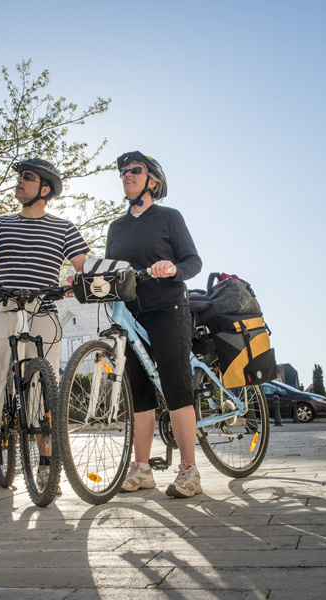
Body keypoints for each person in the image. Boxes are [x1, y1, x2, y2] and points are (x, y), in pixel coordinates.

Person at [0, 158, 89, 502]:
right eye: (19, 176)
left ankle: (46, 465)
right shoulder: (0, 224)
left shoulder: (64, 228)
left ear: (45, 190)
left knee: (43, 391)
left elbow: (83, 265)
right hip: (2, 307)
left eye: (27, 177)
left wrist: (78, 281)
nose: (18, 181)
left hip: (44, 311)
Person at [105, 151, 203, 498]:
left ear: (153, 181)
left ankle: (189, 470)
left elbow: (193, 261)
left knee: (176, 388)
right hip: (131, 316)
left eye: (135, 170)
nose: (126, 175)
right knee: (140, 396)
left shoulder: (169, 218)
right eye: (123, 171)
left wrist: (172, 268)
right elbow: (110, 271)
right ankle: (142, 469)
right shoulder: (115, 227)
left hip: (168, 307)